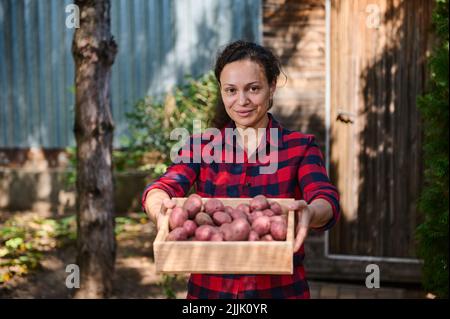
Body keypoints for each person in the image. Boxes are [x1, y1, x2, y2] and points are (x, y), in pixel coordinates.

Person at [142, 40, 340, 299]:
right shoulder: (201, 146)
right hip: (208, 294)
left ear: (271, 87)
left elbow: (326, 198)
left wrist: (312, 211)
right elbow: (164, 186)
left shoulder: (300, 147)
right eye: (231, 90)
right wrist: (159, 210)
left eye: (253, 88)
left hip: (280, 291)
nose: (242, 101)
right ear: (222, 92)